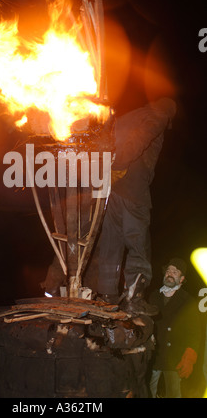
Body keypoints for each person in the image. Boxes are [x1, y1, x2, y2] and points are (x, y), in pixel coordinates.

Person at [94, 97, 176, 316]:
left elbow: (106, 140)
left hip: (113, 189)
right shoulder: (157, 115)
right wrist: (120, 163)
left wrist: (109, 169)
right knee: (138, 244)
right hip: (133, 190)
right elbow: (142, 137)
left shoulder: (127, 117)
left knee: (112, 243)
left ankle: (107, 297)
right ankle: (134, 299)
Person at [149, 258, 201, 398]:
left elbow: (194, 332)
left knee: (173, 394)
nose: (170, 274)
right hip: (153, 357)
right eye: (168, 271)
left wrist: (190, 355)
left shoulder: (188, 301)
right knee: (146, 393)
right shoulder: (153, 296)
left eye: (175, 272)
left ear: (182, 278)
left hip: (175, 359)